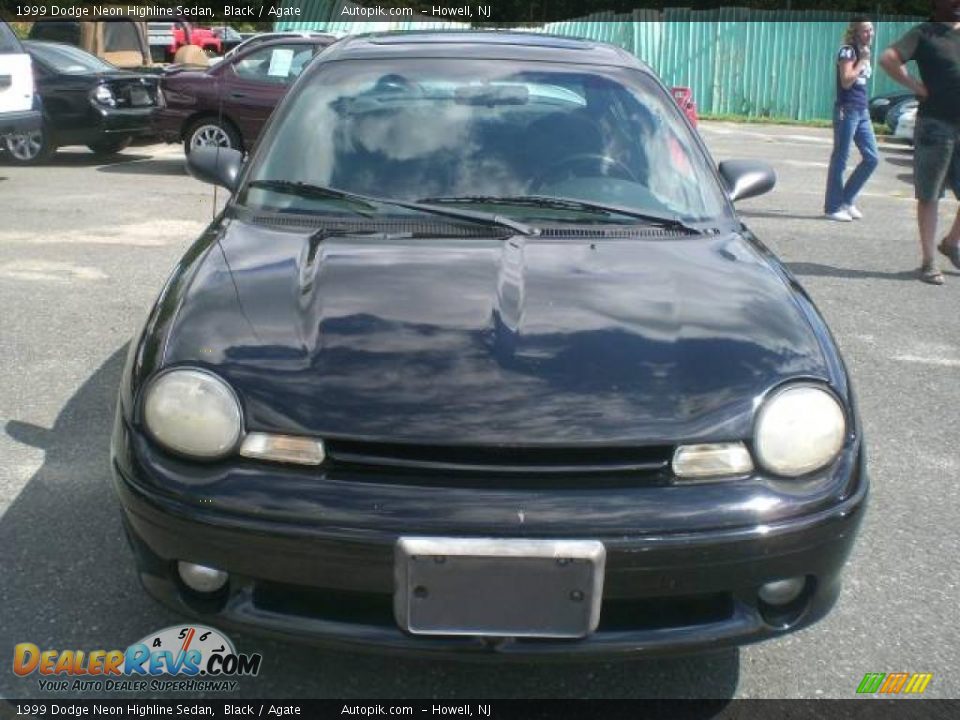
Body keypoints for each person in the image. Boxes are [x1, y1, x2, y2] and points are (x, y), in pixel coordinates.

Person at [880, 0, 960, 285]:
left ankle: (951, 242)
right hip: (935, 124)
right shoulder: (924, 33)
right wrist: (916, 87)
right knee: (930, 194)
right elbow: (888, 58)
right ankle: (928, 261)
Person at [824, 18, 880, 222]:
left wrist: (865, 58)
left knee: (872, 158)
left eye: (871, 30)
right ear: (855, 33)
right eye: (865, 31)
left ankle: (846, 200)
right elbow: (847, 81)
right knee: (841, 158)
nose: (870, 34)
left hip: (862, 111)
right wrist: (863, 61)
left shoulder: (864, 51)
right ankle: (832, 207)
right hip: (847, 110)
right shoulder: (848, 51)